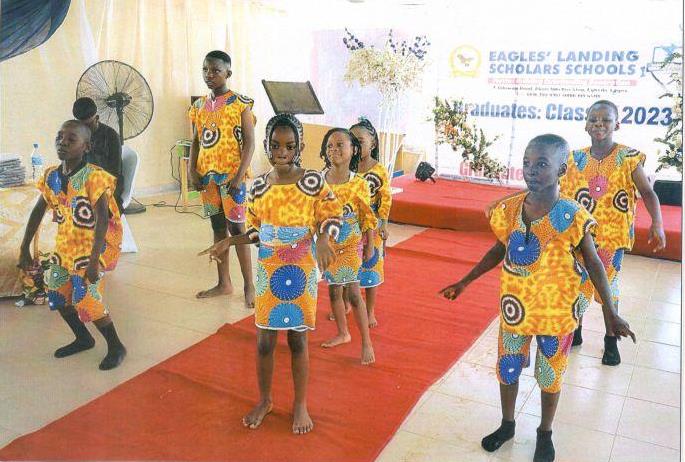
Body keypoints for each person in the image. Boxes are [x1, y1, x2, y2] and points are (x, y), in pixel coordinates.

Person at [440, 134, 635, 462]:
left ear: (561, 170)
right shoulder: (511, 209)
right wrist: (466, 281)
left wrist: (611, 313)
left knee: (549, 375)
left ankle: (545, 433)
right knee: (508, 368)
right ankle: (507, 425)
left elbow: (593, 263)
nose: (531, 170)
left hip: (555, 314)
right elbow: (500, 248)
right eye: (527, 163)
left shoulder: (572, 215)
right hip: (514, 309)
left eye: (541, 164)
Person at [199, 114, 341, 434]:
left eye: (289, 146)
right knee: (264, 341)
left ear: (299, 147)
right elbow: (255, 232)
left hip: (300, 270)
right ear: (266, 145)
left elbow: (333, 216)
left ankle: (300, 404)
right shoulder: (260, 186)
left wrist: (322, 239)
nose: (282, 152)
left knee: (297, 340)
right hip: (268, 270)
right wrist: (228, 241)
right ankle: (265, 400)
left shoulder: (313, 182)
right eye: (275, 145)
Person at [561, 100, 665, 364]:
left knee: (608, 288)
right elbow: (558, 193)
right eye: (593, 119)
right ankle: (576, 330)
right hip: (579, 237)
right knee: (576, 284)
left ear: (616, 124)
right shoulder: (573, 159)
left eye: (606, 120)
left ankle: (611, 339)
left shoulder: (628, 158)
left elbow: (647, 192)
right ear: (586, 125)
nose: (599, 124)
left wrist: (657, 222)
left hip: (612, 239)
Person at [19, 120, 126, 370]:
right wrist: (24, 247)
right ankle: (83, 338)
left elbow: (102, 221)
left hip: (92, 249)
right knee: (57, 295)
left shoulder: (95, 177)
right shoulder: (52, 176)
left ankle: (116, 346)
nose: (63, 143)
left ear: (86, 146)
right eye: (59, 137)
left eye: (71, 139)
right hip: (65, 247)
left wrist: (93, 262)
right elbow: (38, 211)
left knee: (87, 300)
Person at [188, 50, 256, 308]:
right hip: (208, 179)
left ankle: (249, 285)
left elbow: (249, 143)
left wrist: (239, 176)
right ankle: (224, 282)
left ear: (228, 73)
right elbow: (196, 141)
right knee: (217, 228)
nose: (209, 75)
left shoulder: (240, 104)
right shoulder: (198, 106)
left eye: (215, 70)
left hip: (232, 178)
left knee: (238, 229)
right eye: (205, 70)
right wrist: (192, 170)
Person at [319, 128, 376, 365]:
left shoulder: (359, 183)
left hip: (351, 242)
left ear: (353, 149)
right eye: (330, 146)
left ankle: (366, 342)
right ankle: (343, 333)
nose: (334, 150)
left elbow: (367, 216)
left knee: (353, 292)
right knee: (333, 290)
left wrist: (370, 244)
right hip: (328, 244)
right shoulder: (319, 180)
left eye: (340, 145)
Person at [349, 117, 391, 328]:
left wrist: (383, 223)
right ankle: (345, 303)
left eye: (360, 141)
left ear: (372, 144)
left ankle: (370, 310)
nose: (355, 146)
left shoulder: (379, 170)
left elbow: (386, 198)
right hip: (349, 223)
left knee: (370, 265)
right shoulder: (345, 167)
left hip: (372, 224)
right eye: (352, 141)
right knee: (348, 264)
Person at [72, 97, 124, 212]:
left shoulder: (111, 136)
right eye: (81, 126)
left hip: (106, 187)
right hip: (81, 188)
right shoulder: (74, 136)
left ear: (97, 118)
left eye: (88, 125)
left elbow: (114, 174)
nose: (85, 129)